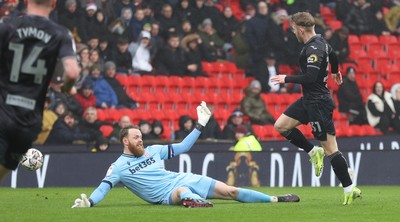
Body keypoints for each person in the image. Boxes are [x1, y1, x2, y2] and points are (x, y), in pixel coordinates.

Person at [71, 101, 300, 208]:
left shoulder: (154, 150)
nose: (140, 139)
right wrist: (90, 202)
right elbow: (104, 187)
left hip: (184, 178)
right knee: (181, 192)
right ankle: (193, 200)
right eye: (135, 137)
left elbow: (182, 147)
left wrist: (200, 124)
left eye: (140, 136)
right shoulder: (118, 166)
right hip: (166, 195)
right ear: (125, 141)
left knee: (231, 191)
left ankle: (275, 199)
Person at [270, 12, 361, 205]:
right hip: (308, 100)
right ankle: (312, 152)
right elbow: (334, 55)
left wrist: (287, 78)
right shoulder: (322, 43)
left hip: (319, 103)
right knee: (281, 125)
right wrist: (335, 71)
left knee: (330, 149)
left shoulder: (314, 48)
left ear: (301, 30)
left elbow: (310, 77)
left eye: (294, 29)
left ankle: (349, 188)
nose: (293, 32)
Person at [0, 0, 79, 181]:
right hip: (28, 121)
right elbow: (73, 72)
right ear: (53, 4)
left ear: (26, 2)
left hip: (3, 111)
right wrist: (67, 88)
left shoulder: (7, 26)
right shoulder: (61, 34)